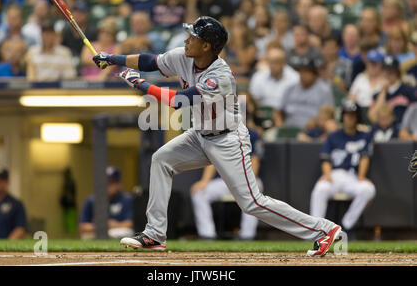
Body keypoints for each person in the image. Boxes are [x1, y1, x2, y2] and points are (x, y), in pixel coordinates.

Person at [92, 15, 342, 256]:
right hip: (199, 135)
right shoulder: (183, 56)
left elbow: (179, 100)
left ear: (207, 46)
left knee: (252, 202)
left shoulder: (220, 76)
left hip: (227, 140)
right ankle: (155, 234)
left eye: (193, 36)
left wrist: (141, 85)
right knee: (161, 159)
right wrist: (113, 58)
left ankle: (323, 229)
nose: (187, 39)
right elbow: (150, 61)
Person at [310, 100, 375, 237]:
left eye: (352, 115)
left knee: (368, 190)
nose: (349, 118)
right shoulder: (333, 136)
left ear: (357, 117)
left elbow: (365, 157)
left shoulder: (364, 135)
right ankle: (316, 231)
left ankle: (346, 226)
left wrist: (362, 176)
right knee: (320, 188)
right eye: (347, 114)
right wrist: (327, 175)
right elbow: (326, 159)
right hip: (335, 174)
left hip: (352, 176)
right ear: (342, 116)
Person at [191, 128, 264, 240]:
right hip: (225, 181)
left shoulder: (252, 133)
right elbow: (213, 160)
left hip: (246, 179)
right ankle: (207, 235)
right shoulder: (218, 134)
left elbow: (255, 160)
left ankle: (247, 236)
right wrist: (204, 181)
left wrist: (250, 181)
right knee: (199, 193)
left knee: (254, 191)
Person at [274, 59, 334, 129]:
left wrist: (316, 121)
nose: (303, 75)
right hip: (289, 127)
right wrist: (280, 125)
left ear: (314, 74)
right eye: (301, 72)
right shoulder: (290, 89)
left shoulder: (324, 90)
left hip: (313, 129)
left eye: (306, 72)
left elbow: (327, 113)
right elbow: (278, 111)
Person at [79, 166, 134, 240]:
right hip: (96, 231)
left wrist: (115, 225)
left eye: (112, 182)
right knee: (87, 235)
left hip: (117, 231)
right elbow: (82, 227)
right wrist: (102, 226)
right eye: (106, 182)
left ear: (119, 184)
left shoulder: (127, 199)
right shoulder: (91, 200)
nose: (108, 186)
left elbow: (131, 224)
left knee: (126, 232)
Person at [368, 56, 416, 126]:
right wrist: (383, 91)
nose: (387, 73)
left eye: (390, 70)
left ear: (397, 72)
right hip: (381, 132)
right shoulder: (376, 96)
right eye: (385, 70)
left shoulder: (409, 91)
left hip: (402, 130)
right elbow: (373, 118)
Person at [80, 17, 121, 81]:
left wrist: (101, 76)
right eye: (102, 32)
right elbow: (84, 60)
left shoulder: (116, 47)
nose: (105, 36)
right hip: (87, 79)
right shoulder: (90, 45)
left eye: (108, 34)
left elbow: (113, 64)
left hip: (108, 81)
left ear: (114, 36)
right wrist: (106, 62)